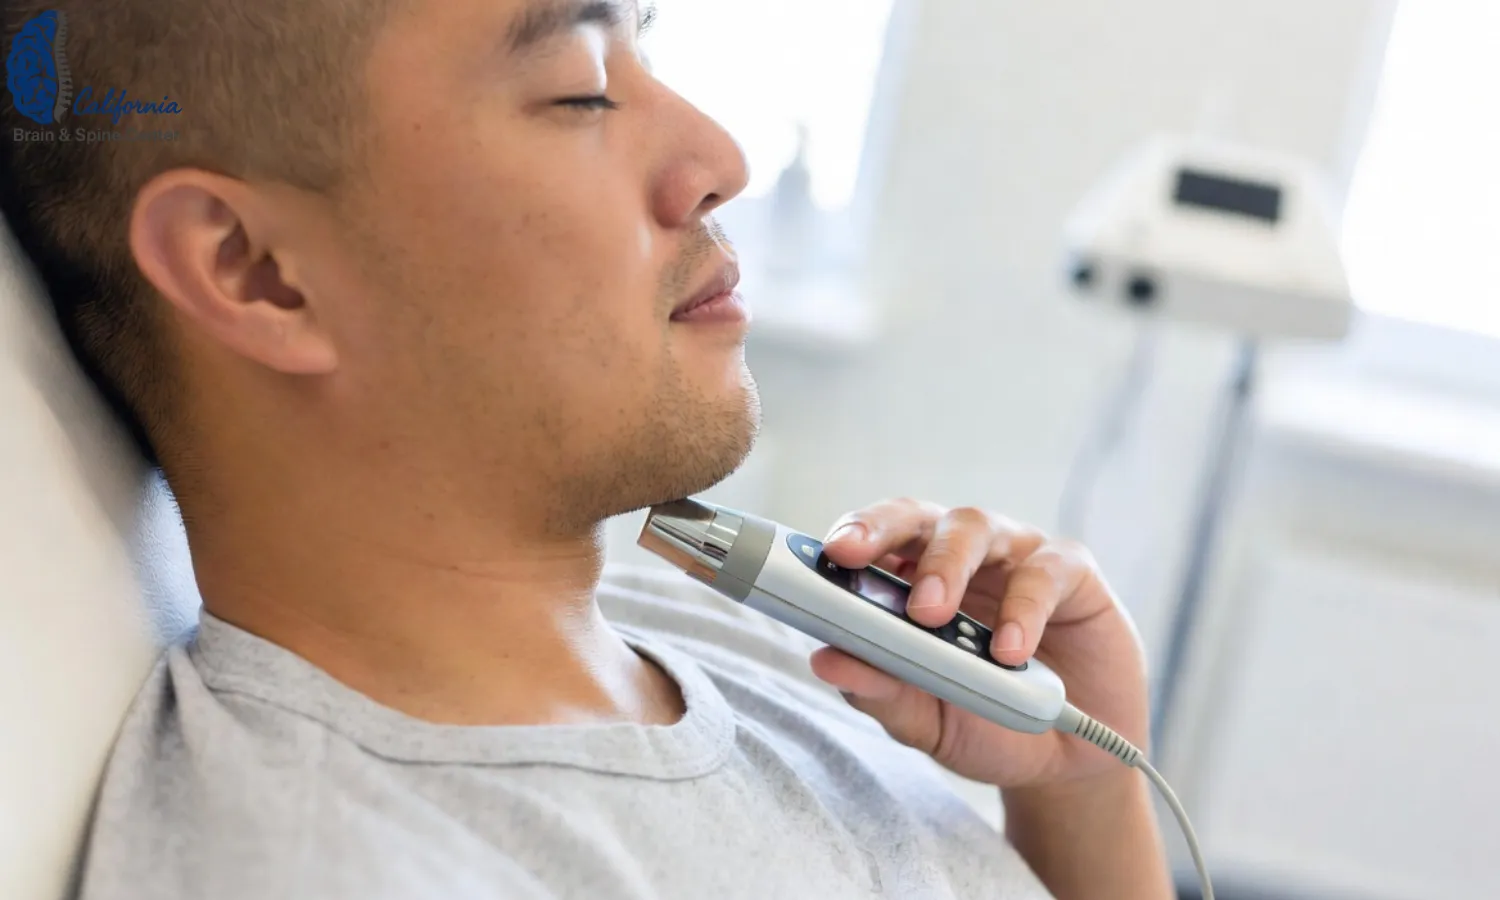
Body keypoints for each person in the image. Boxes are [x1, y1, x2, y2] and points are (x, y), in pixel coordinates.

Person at [0, 0, 1173, 897]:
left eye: (646, 52)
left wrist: (1086, 793)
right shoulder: (344, 863)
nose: (720, 157)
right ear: (254, 271)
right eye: (579, 93)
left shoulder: (732, 636)